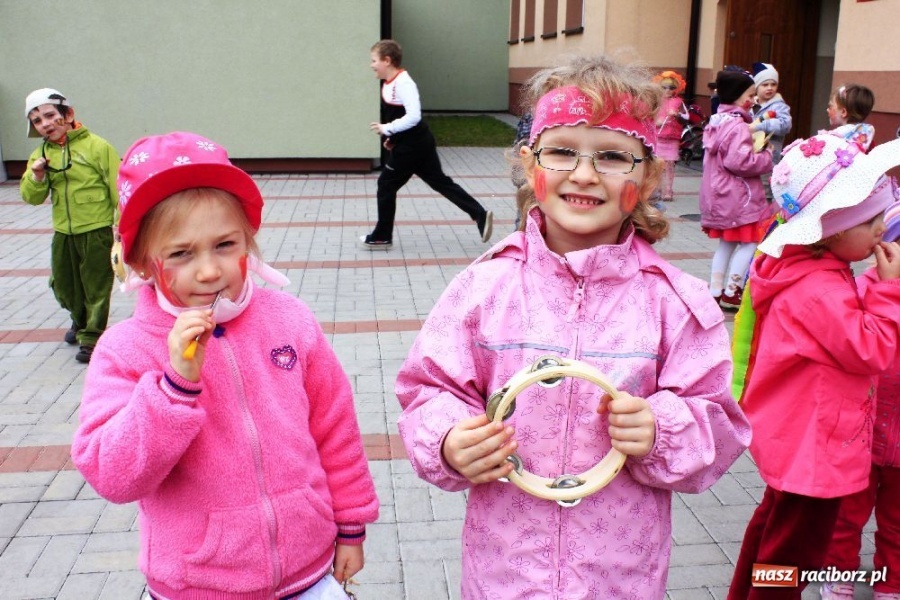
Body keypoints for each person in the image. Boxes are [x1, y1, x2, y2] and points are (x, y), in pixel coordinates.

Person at [395, 54, 751, 599]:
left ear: (649, 175)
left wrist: (661, 431)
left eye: (613, 157)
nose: (584, 174)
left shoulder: (676, 302)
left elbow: (719, 423)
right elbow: (429, 388)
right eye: (562, 152)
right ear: (527, 163)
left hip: (619, 578)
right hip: (505, 573)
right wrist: (447, 440)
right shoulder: (483, 288)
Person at [70, 132, 379, 600]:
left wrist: (351, 524)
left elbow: (335, 428)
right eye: (180, 253)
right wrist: (173, 388)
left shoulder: (289, 320)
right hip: (197, 584)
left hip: (309, 571)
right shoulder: (125, 350)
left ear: (248, 241)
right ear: (141, 262)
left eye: (224, 244)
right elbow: (112, 475)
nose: (210, 270)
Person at [727, 132, 900, 600]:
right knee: (792, 558)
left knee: (772, 531)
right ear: (835, 229)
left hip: (800, 441)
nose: (882, 232)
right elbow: (873, 350)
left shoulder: (807, 271)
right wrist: (889, 289)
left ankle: (746, 591)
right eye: (872, 223)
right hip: (815, 450)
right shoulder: (819, 289)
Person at [818, 197, 900, 600]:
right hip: (860, 437)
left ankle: (891, 582)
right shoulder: (863, 288)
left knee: (899, 523)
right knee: (845, 517)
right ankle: (837, 575)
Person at [361, 39, 493, 250]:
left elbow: (413, 116)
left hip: (413, 146)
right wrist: (392, 139)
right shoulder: (390, 83)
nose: (371, 65)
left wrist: (387, 129)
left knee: (386, 185)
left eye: (374, 60)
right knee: (439, 182)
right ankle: (480, 215)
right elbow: (399, 115)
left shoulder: (404, 83)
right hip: (415, 143)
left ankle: (381, 236)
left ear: (387, 60)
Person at [20, 88, 120, 363]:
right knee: (63, 284)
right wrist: (37, 175)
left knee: (96, 285)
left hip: (96, 229)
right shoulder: (40, 154)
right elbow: (31, 197)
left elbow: (118, 188)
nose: (46, 124)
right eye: (38, 121)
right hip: (63, 231)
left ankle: (92, 336)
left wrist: (122, 226)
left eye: (50, 115)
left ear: (68, 114)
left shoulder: (98, 147)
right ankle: (79, 319)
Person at [699, 69, 774, 309]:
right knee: (750, 243)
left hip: (719, 195)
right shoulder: (739, 126)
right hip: (739, 197)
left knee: (727, 244)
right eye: (750, 95)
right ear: (737, 95)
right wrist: (765, 155)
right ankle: (733, 291)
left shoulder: (716, 121)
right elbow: (739, 162)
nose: (753, 100)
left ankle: (715, 289)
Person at [750, 62, 793, 206]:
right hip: (750, 156)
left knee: (764, 191)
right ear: (756, 86)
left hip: (768, 158)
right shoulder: (751, 104)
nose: (769, 88)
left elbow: (785, 124)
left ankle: (764, 219)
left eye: (773, 84)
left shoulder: (779, 106)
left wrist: (759, 126)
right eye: (765, 84)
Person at [653, 70, 688, 202]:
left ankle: (668, 190)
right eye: (664, 87)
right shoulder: (656, 101)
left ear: (677, 88)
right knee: (658, 166)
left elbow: (687, 117)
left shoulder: (679, 102)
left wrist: (677, 115)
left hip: (672, 138)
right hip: (658, 137)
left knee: (670, 165)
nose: (668, 90)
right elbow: (648, 117)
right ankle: (658, 189)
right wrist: (657, 122)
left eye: (672, 87)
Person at [826, 83, 876, 150]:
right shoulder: (866, 135)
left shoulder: (835, 136)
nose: (827, 110)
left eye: (830, 106)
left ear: (843, 112)